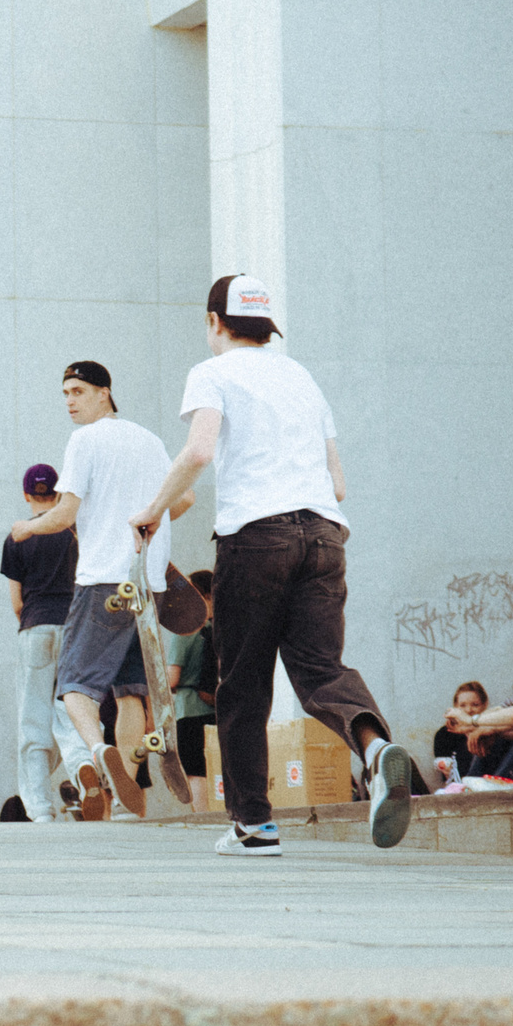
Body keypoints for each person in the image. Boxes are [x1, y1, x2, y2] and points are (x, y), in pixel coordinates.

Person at [134, 274, 419, 857]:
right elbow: (338, 481)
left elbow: (200, 449)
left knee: (241, 683)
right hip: (324, 534)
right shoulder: (300, 375)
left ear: (215, 321)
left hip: (256, 538)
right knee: (320, 670)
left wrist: (152, 511)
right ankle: (372, 747)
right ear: (266, 326)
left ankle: (255, 825)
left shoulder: (212, 372)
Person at [12, 361, 187, 820]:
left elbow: (65, 514)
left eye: (78, 391)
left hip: (102, 582)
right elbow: (181, 498)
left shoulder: (84, 441)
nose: (70, 401)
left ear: (105, 393)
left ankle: (97, 751)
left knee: (73, 687)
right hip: (148, 584)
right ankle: (128, 798)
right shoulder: (149, 440)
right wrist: (151, 527)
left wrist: (26, 529)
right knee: (131, 692)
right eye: (65, 393)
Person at [0, 462, 77, 821]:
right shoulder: (74, 531)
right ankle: (81, 768)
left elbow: (16, 602)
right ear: (59, 493)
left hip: (34, 627)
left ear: (27, 494)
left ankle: (41, 809)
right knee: (72, 711)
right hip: (74, 627)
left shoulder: (17, 536)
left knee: (33, 720)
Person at [164, 572, 217, 805]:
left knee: (196, 771)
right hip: (215, 707)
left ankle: (203, 819)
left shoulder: (186, 628)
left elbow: (173, 678)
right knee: (215, 767)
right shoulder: (221, 627)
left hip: (189, 708)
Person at [433, 680, 490, 782]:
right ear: (455, 706)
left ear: (484, 705)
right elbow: (444, 768)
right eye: (463, 705)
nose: (469, 710)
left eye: (475, 705)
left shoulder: (493, 732)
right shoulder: (445, 735)